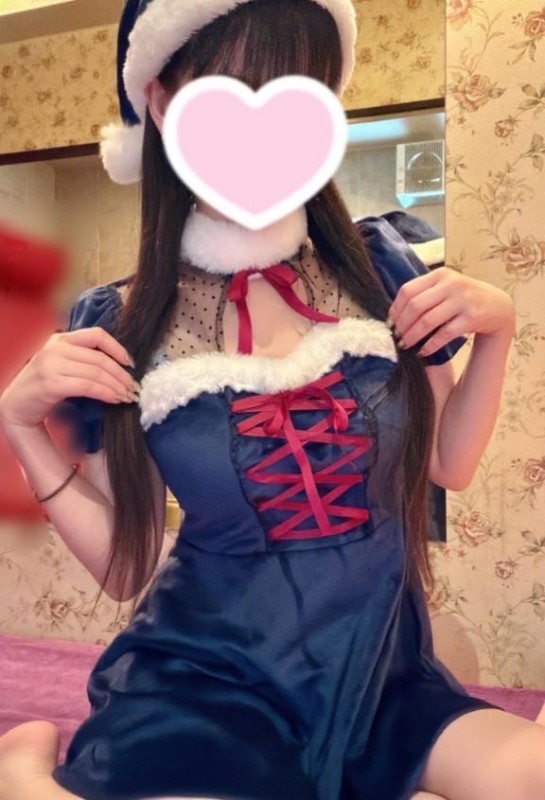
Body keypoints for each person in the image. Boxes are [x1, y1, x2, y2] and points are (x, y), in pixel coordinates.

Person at [0, 1, 543, 799]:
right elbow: (126, 568)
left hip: (382, 682)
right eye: (231, 87)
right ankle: (22, 766)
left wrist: (497, 330)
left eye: (296, 87)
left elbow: (448, 464)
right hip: (205, 687)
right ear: (160, 101)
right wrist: (19, 424)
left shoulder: (380, 268)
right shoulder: (118, 323)